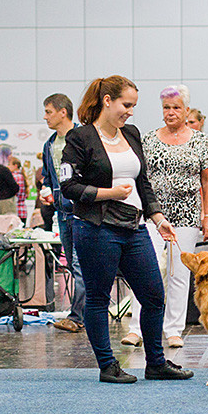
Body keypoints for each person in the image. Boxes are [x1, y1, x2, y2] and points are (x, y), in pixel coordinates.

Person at [60, 75, 189, 384]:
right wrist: (108, 193)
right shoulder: (80, 139)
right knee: (98, 299)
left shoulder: (130, 134)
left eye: (133, 106)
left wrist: (158, 219)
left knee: (154, 295)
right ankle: (107, 365)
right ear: (108, 101)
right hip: (95, 228)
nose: (131, 111)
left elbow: (142, 182)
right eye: (126, 105)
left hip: (134, 227)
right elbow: (68, 186)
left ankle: (156, 363)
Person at [123, 85, 208, 349]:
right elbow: (138, 175)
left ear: (186, 110)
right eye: (166, 107)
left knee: (179, 273)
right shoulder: (149, 139)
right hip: (152, 214)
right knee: (145, 269)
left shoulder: (200, 141)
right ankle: (136, 328)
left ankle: (174, 329)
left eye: (176, 107)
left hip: (187, 214)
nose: (171, 112)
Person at [40, 94, 85, 333]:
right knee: (72, 265)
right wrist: (47, 192)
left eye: (48, 111)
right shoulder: (48, 144)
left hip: (81, 211)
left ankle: (78, 317)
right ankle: (81, 315)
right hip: (62, 212)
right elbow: (49, 177)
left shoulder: (82, 138)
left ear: (63, 112)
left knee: (79, 265)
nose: (45, 116)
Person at [0, 145, 19, 222]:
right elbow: (14, 187)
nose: (11, 156)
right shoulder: (4, 170)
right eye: (10, 154)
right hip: (5, 203)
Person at [8, 156, 28, 222]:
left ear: (15, 166)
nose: (8, 167)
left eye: (9, 164)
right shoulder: (22, 176)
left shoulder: (13, 176)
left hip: (15, 211)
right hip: (23, 211)